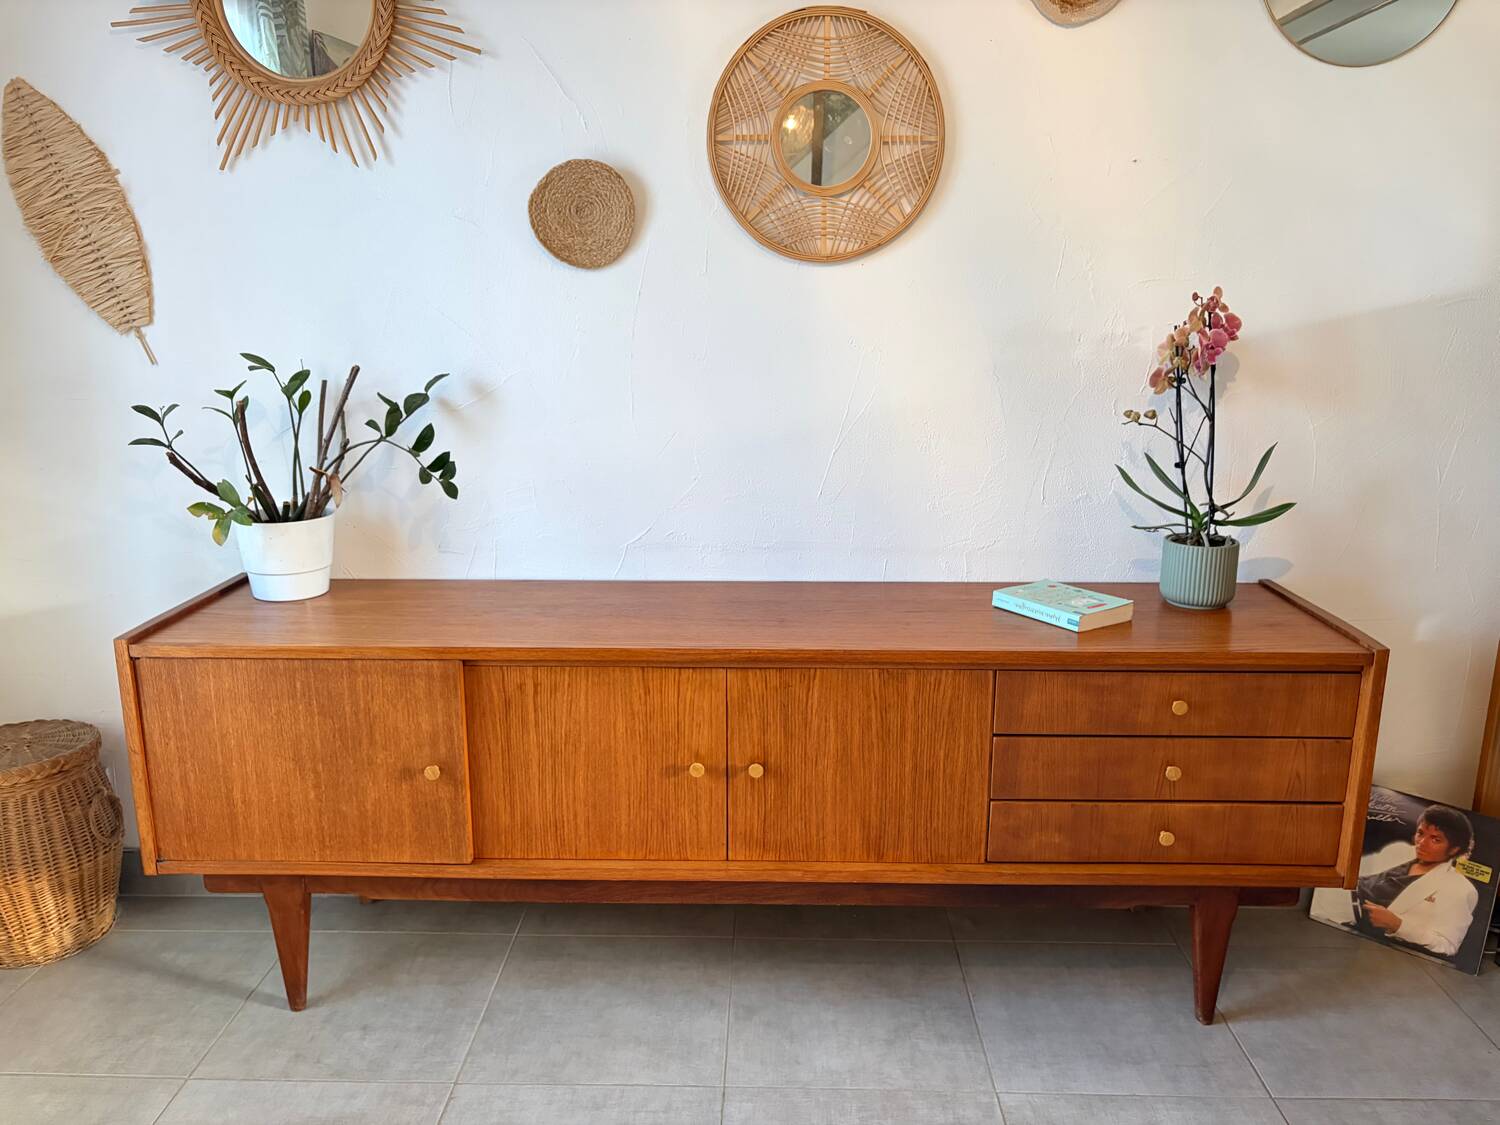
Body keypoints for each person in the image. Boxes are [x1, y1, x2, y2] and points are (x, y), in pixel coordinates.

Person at [1354, 805, 1478, 959]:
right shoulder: (1398, 851)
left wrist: (1397, 925)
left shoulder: (1461, 889)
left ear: (1454, 849)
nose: (1422, 843)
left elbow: (1447, 946)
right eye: (1420, 833)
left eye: (1435, 839)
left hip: (1377, 950)